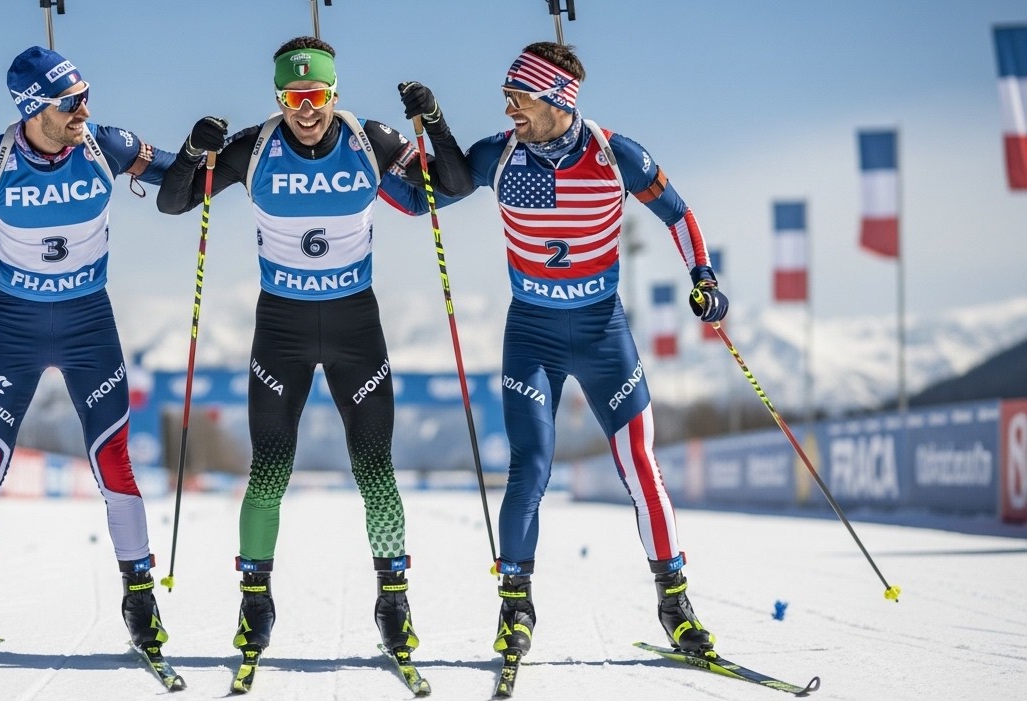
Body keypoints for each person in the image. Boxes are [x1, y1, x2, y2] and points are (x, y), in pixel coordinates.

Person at [156, 36, 473, 664]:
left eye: (319, 95)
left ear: (335, 92)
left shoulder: (371, 140)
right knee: (268, 471)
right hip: (282, 329)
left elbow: (454, 185)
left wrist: (433, 120)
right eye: (295, 96)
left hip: (356, 324)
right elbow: (174, 201)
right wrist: (196, 150)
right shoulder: (254, 147)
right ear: (280, 96)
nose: (307, 109)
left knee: (374, 467)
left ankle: (393, 602)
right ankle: (254, 604)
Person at [461, 42, 731, 661]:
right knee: (530, 466)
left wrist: (704, 278)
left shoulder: (616, 154)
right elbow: (425, 192)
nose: (508, 109)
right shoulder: (498, 156)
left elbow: (679, 214)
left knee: (640, 462)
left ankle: (676, 606)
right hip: (531, 334)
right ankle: (515, 608)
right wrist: (422, 131)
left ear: (557, 98)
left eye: (519, 96)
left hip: (603, 332)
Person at [0, 45, 177, 656]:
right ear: (35, 109)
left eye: (85, 95)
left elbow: (183, 174)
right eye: (69, 101)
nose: (84, 108)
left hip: (88, 324)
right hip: (16, 327)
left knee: (113, 460)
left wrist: (211, 152)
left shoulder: (105, 145)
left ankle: (140, 598)